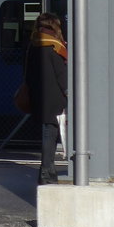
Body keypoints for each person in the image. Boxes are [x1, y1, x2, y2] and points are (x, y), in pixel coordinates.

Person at [24, 12, 68, 184]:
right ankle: (46, 172)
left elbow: (27, 73)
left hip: (39, 96)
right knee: (51, 134)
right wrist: (68, 92)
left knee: (47, 133)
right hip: (55, 97)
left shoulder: (33, 46)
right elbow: (61, 74)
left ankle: (47, 171)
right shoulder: (55, 46)